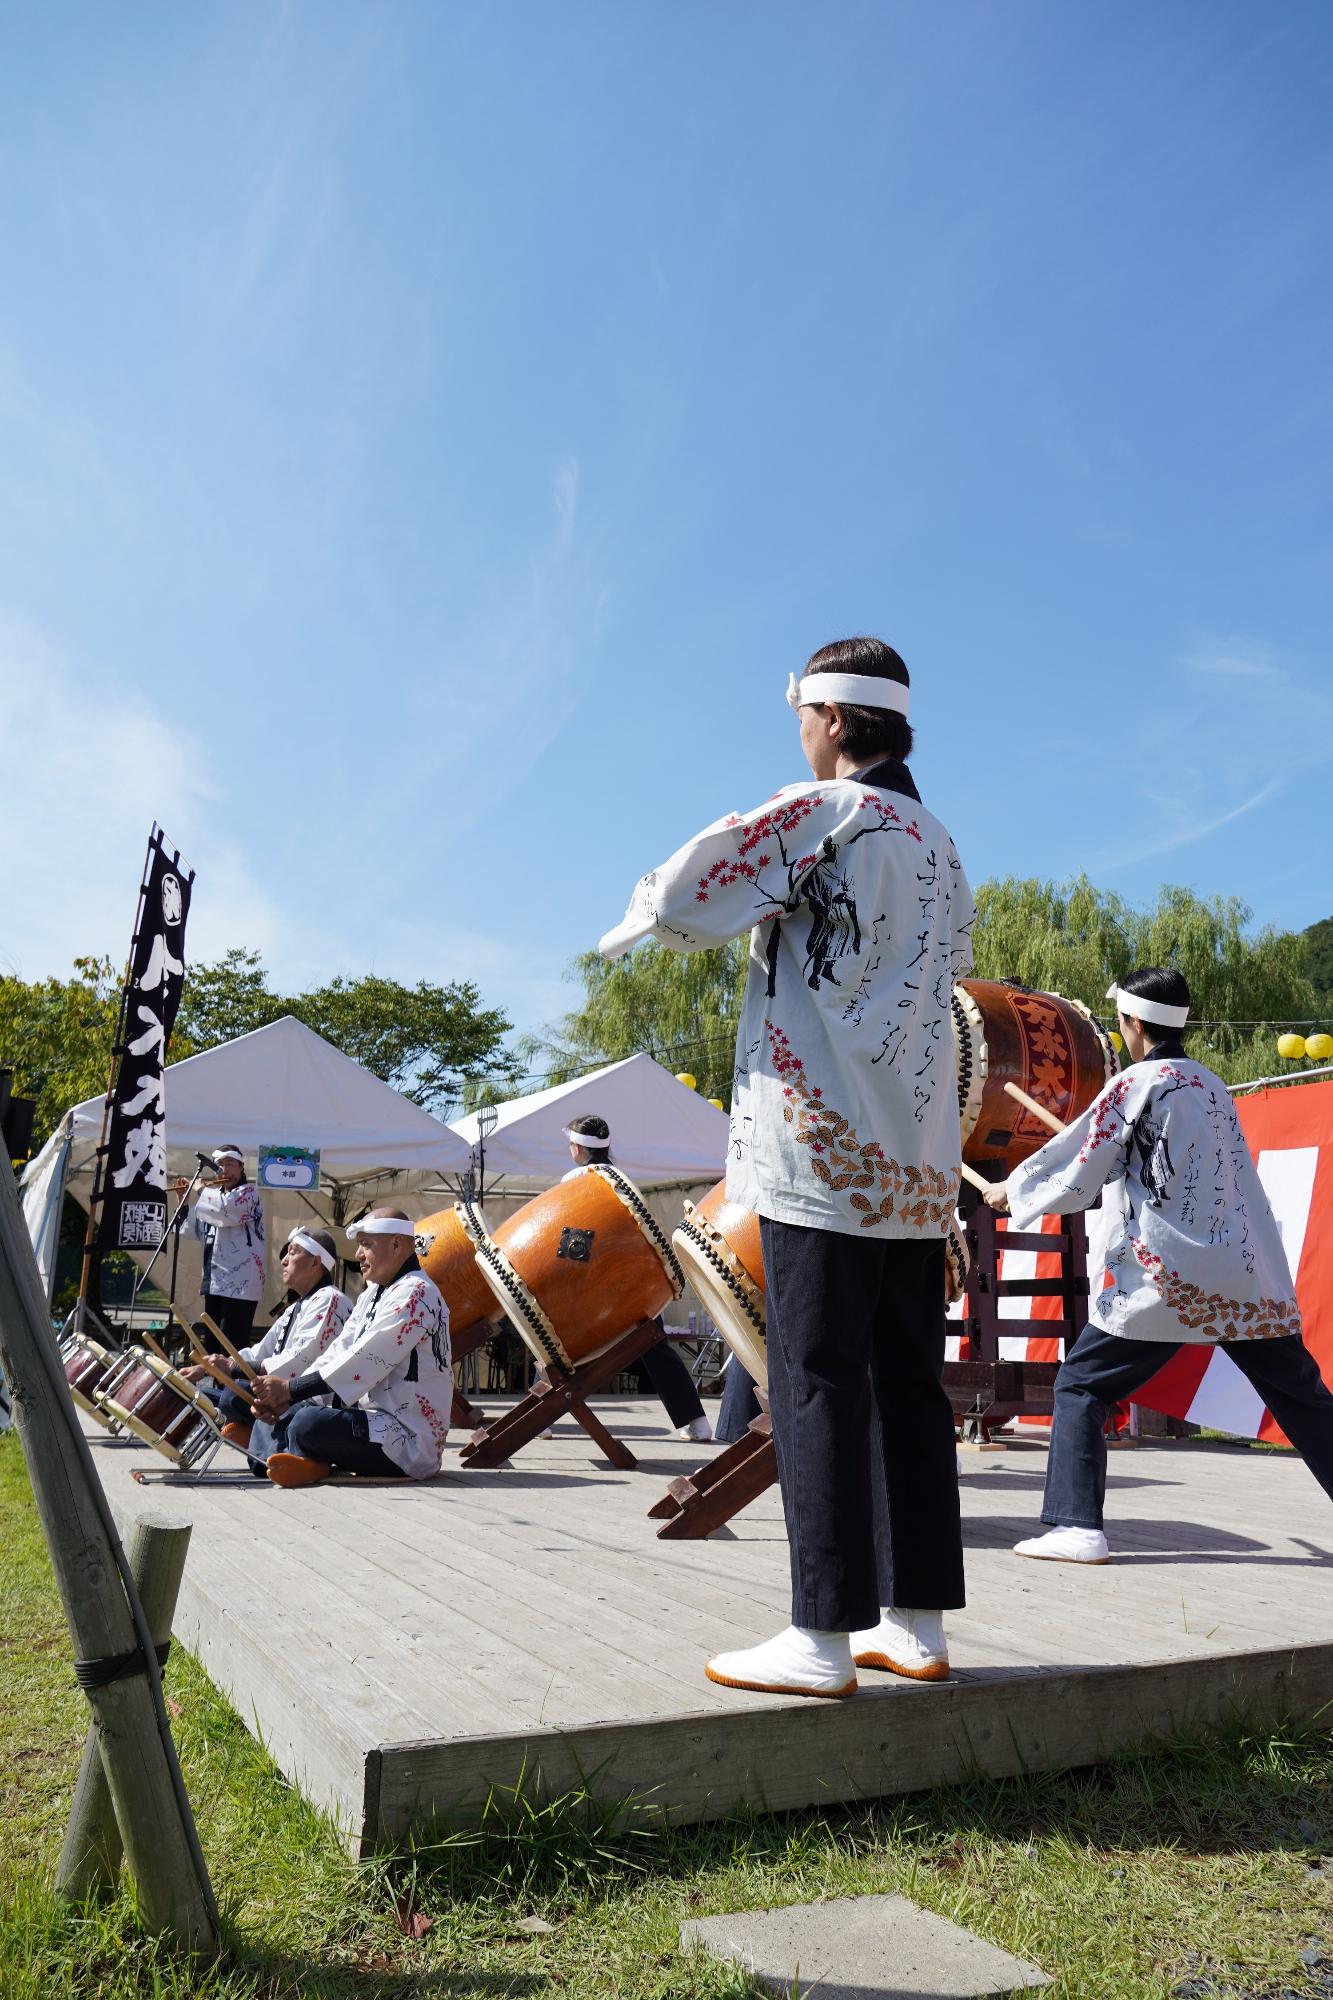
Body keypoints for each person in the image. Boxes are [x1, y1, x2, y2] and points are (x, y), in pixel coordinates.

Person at [601, 636, 975, 1696]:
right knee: (908, 1381)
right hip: (913, 1158)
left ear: (831, 718)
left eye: (801, 717)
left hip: (823, 1140)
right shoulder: (942, 841)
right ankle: (916, 1624)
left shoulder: (826, 814)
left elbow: (676, 899)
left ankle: (818, 1635)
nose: (798, 737)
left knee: (814, 1375)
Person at [984, 967, 1333, 1561]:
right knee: (1302, 1398)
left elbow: (1081, 1163)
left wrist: (1011, 1193)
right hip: (1243, 1274)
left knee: (1081, 1385)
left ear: (1132, 1024)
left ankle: (1078, 1527)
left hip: (1168, 1276)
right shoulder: (1211, 1085)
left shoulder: (1138, 1084)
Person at [248, 1206, 451, 1489]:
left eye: (366, 1245)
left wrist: (290, 1390)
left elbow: (362, 1360)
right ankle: (288, 1455)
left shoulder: (417, 1292)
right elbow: (338, 1352)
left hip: (407, 1439)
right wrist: (287, 1397)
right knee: (290, 1415)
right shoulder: (372, 1294)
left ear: (396, 1244)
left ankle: (298, 1455)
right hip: (367, 1419)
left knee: (307, 1422)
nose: (357, 1255)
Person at [561, 1114, 712, 1441]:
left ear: (579, 1148)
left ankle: (540, 1421)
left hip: (601, 1281)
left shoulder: (575, 1178)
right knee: (655, 1348)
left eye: (571, 1142)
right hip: (639, 1279)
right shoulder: (621, 1176)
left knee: (560, 1341)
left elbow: (574, 1239)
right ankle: (699, 1423)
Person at [182, 1226, 350, 1449]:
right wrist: (207, 1367)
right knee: (199, 1395)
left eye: (293, 1252)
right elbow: (260, 1351)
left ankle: (261, 1436)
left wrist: (231, 1367)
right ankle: (253, 1433)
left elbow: (300, 1359)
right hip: (283, 1396)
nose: (284, 1261)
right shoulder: (296, 1308)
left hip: (312, 1401)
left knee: (232, 1396)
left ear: (315, 1262)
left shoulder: (331, 1300)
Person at [172, 1146, 265, 1355]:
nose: (225, 1170)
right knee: (213, 1347)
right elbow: (192, 1231)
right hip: (215, 1282)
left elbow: (227, 1210)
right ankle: (215, 1386)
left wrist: (200, 1189)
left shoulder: (249, 1194)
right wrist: (183, 1203)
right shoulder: (212, 1200)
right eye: (220, 1165)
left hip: (240, 1283)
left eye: (231, 1164)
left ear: (241, 1167)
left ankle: (232, 1388)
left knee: (231, 1347)